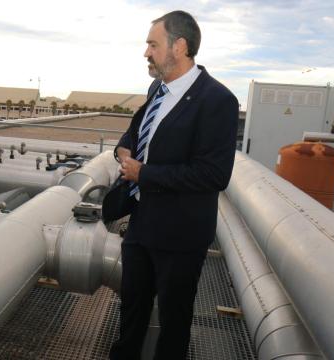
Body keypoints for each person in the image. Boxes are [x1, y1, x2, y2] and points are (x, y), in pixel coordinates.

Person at [109, 10, 238, 360]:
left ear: (179, 46)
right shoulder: (158, 88)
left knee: (173, 324)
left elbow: (214, 174)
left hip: (181, 237)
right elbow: (139, 130)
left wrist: (144, 174)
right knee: (130, 312)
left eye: (153, 44)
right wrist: (124, 146)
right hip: (141, 226)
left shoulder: (218, 101)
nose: (146, 52)